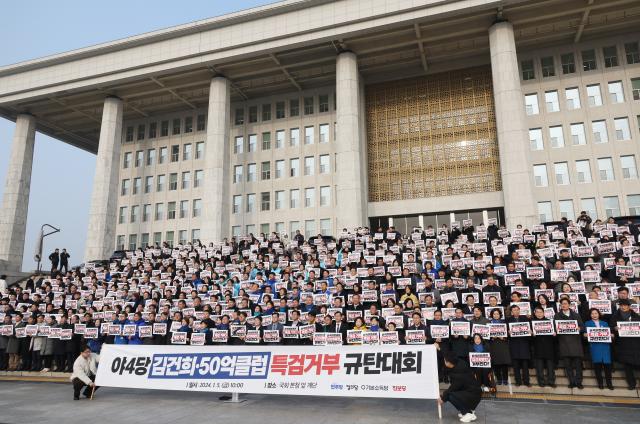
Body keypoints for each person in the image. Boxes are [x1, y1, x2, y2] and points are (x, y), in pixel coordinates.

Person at [439, 351, 482, 423]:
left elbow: (453, 388)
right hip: (472, 391)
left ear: (449, 363)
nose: (444, 361)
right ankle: (470, 412)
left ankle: (467, 413)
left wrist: (443, 398)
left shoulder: (459, 372)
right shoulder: (459, 363)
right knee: (450, 394)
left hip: (473, 394)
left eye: (445, 360)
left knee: (450, 395)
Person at [554, 297, 585, 389]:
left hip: (575, 343)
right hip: (564, 343)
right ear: (560, 305)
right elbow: (555, 328)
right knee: (567, 365)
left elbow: (583, 327)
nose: (564, 305)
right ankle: (571, 381)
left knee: (578, 365)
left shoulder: (576, 315)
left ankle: (579, 382)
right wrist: (555, 331)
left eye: (565, 303)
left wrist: (580, 328)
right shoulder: (557, 316)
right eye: (562, 304)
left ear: (569, 305)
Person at [609, 299, 640, 390]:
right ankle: (631, 384)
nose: (623, 307)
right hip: (623, 344)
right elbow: (610, 328)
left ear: (629, 306)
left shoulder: (636, 315)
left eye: (625, 305)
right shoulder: (614, 316)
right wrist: (614, 328)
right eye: (621, 305)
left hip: (636, 344)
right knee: (627, 366)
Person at [584, 308, 613, 390]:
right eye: (592, 314)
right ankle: (600, 383)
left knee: (607, 367)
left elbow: (608, 334)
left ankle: (609, 383)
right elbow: (586, 335)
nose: (594, 315)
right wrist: (585, 335)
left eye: (596, 313)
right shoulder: (587, 323)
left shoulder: (605, 323)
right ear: (590, 315)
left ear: (598, 314)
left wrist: (611, 335)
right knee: (597, 367)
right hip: (595, 347)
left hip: (605, 347)